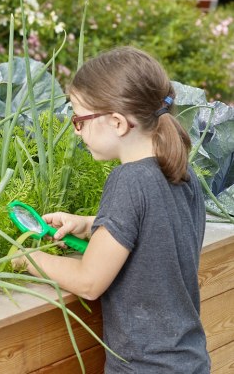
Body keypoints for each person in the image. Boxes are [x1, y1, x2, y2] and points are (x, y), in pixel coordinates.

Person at [12, 47, 209, 372]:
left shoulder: (128, 180)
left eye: (80, 120)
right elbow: (158, 234)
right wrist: (91, 225)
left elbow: (90, 281)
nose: (77, 131)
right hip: (190, 361)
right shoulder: (180, 172)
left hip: (144, 366)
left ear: (117, 122)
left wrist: (30, 260)